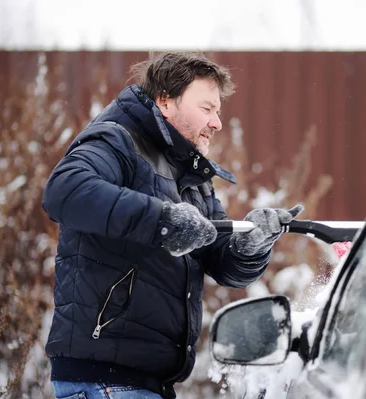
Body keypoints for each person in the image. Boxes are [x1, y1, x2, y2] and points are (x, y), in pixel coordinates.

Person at [42, 51, 303, 399]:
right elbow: (65, 191)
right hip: (104, 379)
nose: (217, 123)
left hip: (147, 382)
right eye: (207, 109)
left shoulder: (191, 180)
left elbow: (222, 261)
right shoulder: (117, 142)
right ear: (165, 101)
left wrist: (251, 244)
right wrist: (162, 220)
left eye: (218, 112)